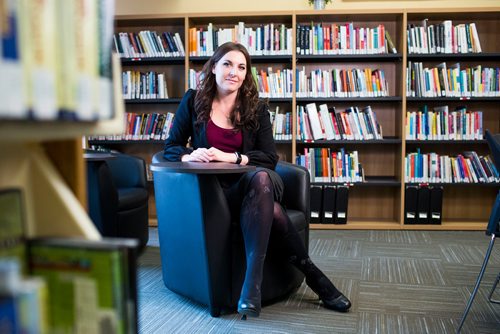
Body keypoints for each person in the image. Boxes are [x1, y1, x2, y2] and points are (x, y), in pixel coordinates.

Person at [163, 42, 351, 318]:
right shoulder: (192, 101)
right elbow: (171, 147)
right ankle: (314, 276)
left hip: (253, 182)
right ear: (214, 67)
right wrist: (191, 155)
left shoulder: (256, 108)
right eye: (227, 64)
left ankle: (252, 284)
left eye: (241, 67)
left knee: (261, 178)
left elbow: (268, 158)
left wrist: (233, 157)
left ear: (246, 74)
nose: (233, 72)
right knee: (273, 212)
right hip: (215, 193)